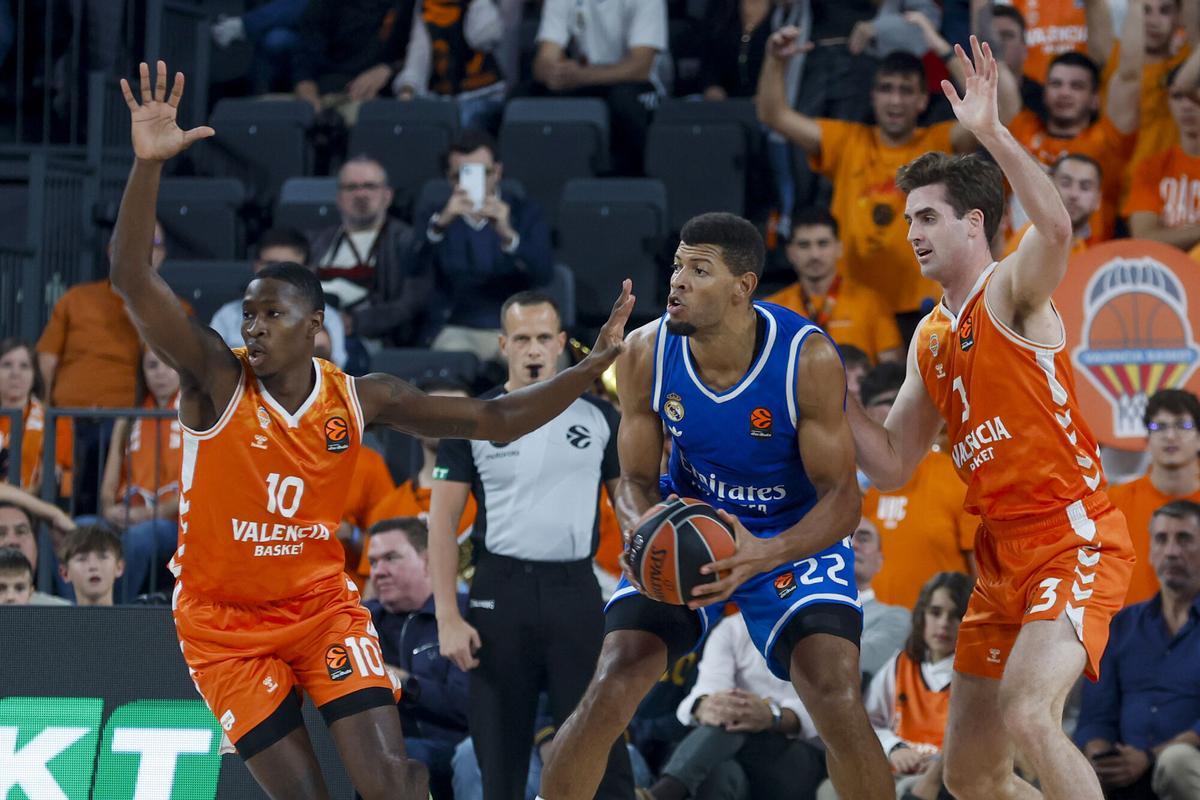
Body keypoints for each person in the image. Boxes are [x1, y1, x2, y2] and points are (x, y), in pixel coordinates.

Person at [112, 59, 633, 800]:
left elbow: (494, 418)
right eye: (249, 313)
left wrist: (588, 371)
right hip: (221, 623)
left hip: (320, 607)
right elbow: (133, 281)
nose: (253, 327)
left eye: (273, 315)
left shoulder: (363, 395)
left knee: (389, 782)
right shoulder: (214, 377)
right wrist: (146, 166)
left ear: (316, 328)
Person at [847, 38, 1136, 800]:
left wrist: (994, 134)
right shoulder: (929, 337)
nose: (912, 231)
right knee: (975, 778)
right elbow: (890, 464)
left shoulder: (1010, 290)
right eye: (908, 217)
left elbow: (1058, 229)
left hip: (1071, 534)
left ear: (974, 223)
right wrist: (826, 393)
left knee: (1032, 711)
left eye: (929, 216)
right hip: (999, 558)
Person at [538, 211, 892, 800]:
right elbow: (633, 479)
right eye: (677, 265)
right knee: (612, 679)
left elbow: (842, 500)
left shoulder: (805, 359)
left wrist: (764, 554)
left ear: (742, 288)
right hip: (689, 529)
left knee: (835, 694)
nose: (676, 281)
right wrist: (639, 523)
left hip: (789, 534)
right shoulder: (646, 352)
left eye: (698, 271)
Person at [430, 290, 632, 799]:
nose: (534, 350)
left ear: (563, 343)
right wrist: (447, 618)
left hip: (575, 591)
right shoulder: (473, 419)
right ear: (503, 345)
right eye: (522, 339)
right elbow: (440, 522)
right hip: (500, 594)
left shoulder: (601, 419)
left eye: (545, 337)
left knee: (599, 750)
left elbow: (629, 508)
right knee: (499, 762)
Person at [757, 28, 1019, 338]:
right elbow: (773, 115)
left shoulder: (939, 143)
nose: (895, 100)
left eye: (906, 91)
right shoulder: (846, 141)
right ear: (873, 96)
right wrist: (775, 59)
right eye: (886, 88)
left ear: (923, 100)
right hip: (854, 308)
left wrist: (944, 52)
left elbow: (1003, 112)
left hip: (924, 306)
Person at [1075, 500, 1200, 800]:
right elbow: (1095, 715)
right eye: (1161, 539)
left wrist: (1149, 756)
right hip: (1124, 773)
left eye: (1184, 539)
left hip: (1187, 767)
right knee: (1069, 764)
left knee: (1176, 763)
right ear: (1150, 552)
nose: (1171, 551)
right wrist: (1101, 757)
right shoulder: (1122, 625)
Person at [642, 610, 828, 800]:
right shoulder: (733, 627)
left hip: (796, 756)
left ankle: (660, 794)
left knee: (738, 720)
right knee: (720, 774)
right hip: (727, 748)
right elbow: (708, 688)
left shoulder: (828, 636)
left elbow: (828, 716)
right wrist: (705, 705)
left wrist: (772, 715)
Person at [1007, 2, 1143, 242]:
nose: (1065, 93)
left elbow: (1130, 74)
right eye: (1056, 84)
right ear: (1045, 91)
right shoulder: (1022, 131)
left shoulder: (1106, 143)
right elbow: (994, 67)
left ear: (1094, 100)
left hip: (1088, 271)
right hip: (1022, 270)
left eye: (1076, 86)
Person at [418, 129, 554, 362]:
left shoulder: (524, 211)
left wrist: (509, 235)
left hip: (516, 327)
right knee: (446, 363)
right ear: (448, 178)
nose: (472, 182)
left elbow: (543, 274)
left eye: (484, 173)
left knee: (540, 366)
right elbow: (412, 269)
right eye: (460, 175)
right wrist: (440, 225)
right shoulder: (436, 215)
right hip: (456, 327)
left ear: (498, 172)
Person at [840, 571, 972, 800]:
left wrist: (934, 767)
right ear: (921, 614)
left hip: (944, 779)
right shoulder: (900, 664)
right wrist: (894, 748)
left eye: (955, 615)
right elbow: (869, 723)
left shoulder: (977, 678)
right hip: (894, 768)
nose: (943, 624)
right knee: (831, 790)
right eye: (935, 612)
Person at [858, 363, 976, 609]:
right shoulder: (853, 487)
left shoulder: (956, 476)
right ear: (866, 413)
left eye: (906, 400)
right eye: (888, 401)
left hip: (940, 638)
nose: (899, 409)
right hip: (867, 634)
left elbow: (982, 574)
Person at [364, 517, 469, 788]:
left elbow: (467, 707)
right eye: (373, 563)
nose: (379, 571)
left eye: (391, 558)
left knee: (398, 758)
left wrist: (405, 683)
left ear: (427, 561)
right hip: (385, 751)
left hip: (455, 749)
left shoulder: (463, 614)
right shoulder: (362, 622)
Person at [532, 0, 669, 175]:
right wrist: (553, 72)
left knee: (624, 102)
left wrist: (581, 75)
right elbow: (544, 58)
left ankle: (633, 183)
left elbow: (640, 67)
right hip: (584, 82)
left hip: (638, 86)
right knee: (523, 97)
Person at [310, 155, 428, 347]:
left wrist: (355, 322)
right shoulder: (316, 241)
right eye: (351, 187)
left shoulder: (408, 241)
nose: (361, 194)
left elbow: (410, 304)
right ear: (338, 198)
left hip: (370, 338)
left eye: (370, 186)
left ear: (387, 196)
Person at [94, 347, 181, 602]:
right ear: (142, 373)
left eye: (167, 364)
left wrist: (147, 514)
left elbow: (199, 485)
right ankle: (82, 610)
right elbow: (108, 489)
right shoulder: (128, 419)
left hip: (176, 523)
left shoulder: (197, 414)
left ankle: (114, 613)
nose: (160, 373)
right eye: (152, 366)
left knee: (140, 537)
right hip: (130, 515)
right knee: (82, 531)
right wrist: (110, 510)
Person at [766, 206, 903, 365]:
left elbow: (891, 372)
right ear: (790, 252)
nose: (814, 255)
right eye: (804, 245)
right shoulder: (772, 311)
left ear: (839, 248)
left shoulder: (871, 303)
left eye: (823, 244)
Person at [1109, 389, 1200, 606]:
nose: (1170, 435)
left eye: (1182, 425)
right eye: (1159, 426)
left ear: (1198, 438)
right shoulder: (1114, 503)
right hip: (1130, 634)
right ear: (1147, 440)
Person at [210, 228, 348, 369]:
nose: (279, 275)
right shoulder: (226, 316)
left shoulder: (328, 318)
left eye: (290, 268)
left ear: (308, 271)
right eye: (271, 265)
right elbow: (211, 370)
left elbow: (329, 374)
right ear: (257, 266)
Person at [392, 0, 507, 130]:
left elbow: (485, 37)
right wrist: (407, 89)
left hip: (483, 95)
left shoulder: (480, 4)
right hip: (441, 100)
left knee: (463, 120)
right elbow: (418, 54)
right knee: (414, 124)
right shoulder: (427, 7)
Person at [292, 0, 416, 120]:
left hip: (388, 96)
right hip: (331, 92)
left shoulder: (407, 5)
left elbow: (421, 58)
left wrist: (389, 69)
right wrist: (310, 102)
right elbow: (305, 58)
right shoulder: (326, 4)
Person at [1126, 52, 1200, 250]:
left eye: (1195, 96)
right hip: (1170, 276)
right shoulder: (1152, 167)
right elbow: (1144, 237)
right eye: (1177, 96)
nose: (1186, 105)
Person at [0, 337, 71, 492]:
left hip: (31, 508)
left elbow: (50, 481)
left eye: (24, 366)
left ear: (34, 375)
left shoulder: (55, 422)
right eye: (7, 365)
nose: (15, 373)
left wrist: (18, 500)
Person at [1004, 153, 1104, 256]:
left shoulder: (1081, 247)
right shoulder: (1030, 240)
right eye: (1065, 183)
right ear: (1048, 187)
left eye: (1085, 187)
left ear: (1098, 200)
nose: (1074, 194)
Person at [852, 517, 914, 679]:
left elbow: (865, 662)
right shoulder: (798, 607)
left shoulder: (895, 617)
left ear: (879, 561)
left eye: (863, 539)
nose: (853, 545)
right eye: (844, 539)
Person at [0, 500, 70, 605]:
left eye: (21, 531)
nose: (12, 541)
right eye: (0, 533)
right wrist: (53, 513)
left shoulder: (60, 613)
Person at [58, 525, 124, 607]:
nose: (93, 566)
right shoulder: (52, 618)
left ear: (119, 567)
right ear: (65, 573)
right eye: (82, 559)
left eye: (102, 557)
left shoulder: (136, 619)